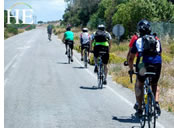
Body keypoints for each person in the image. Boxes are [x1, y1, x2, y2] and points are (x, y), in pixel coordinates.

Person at [128, 19, 162, 117]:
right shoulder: (157, 39)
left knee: (139, 84)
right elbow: (160, 54)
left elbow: (131, 58)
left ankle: (139, 108)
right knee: (155, 84)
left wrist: (131, 69)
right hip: (157, 64)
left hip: (143, 65)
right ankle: (156, 103)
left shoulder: (138, 40)